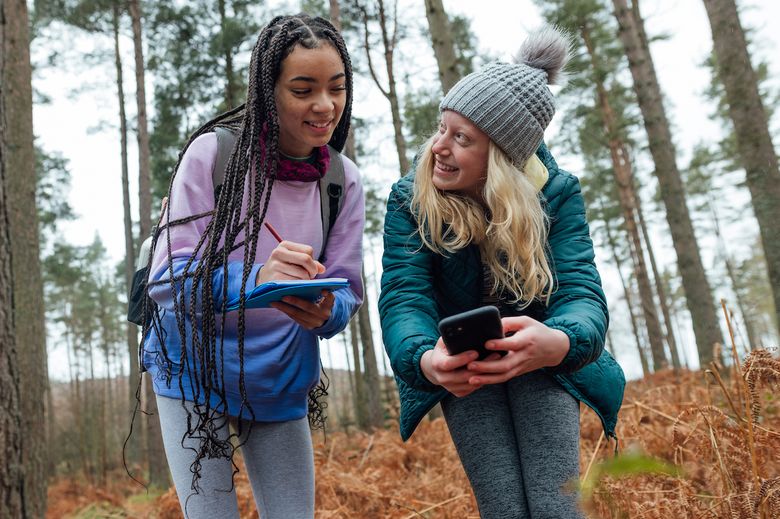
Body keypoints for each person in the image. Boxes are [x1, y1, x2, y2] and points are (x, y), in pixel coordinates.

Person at [378, 27, 625, 518]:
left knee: (557, 508)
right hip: (465, 372)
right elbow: (405, 298)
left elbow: (581, 291)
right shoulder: (410, 199)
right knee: (503, 508)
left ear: (503, 159)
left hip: (543, 363)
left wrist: (559, 341)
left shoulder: (556, 194)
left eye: (462, 138)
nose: (438, 148)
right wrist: (426, 359)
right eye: (441, 128)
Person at [139, 14, 364, 519]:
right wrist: (258, 279)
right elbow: (168, 279)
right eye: (303, 89)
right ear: (269, 91)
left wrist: (328, 309)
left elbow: (348, 289)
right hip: (191, 368)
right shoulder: (213, 155)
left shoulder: (341, 180)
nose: (324, 106)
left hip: (280, 373)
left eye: (337, 88)